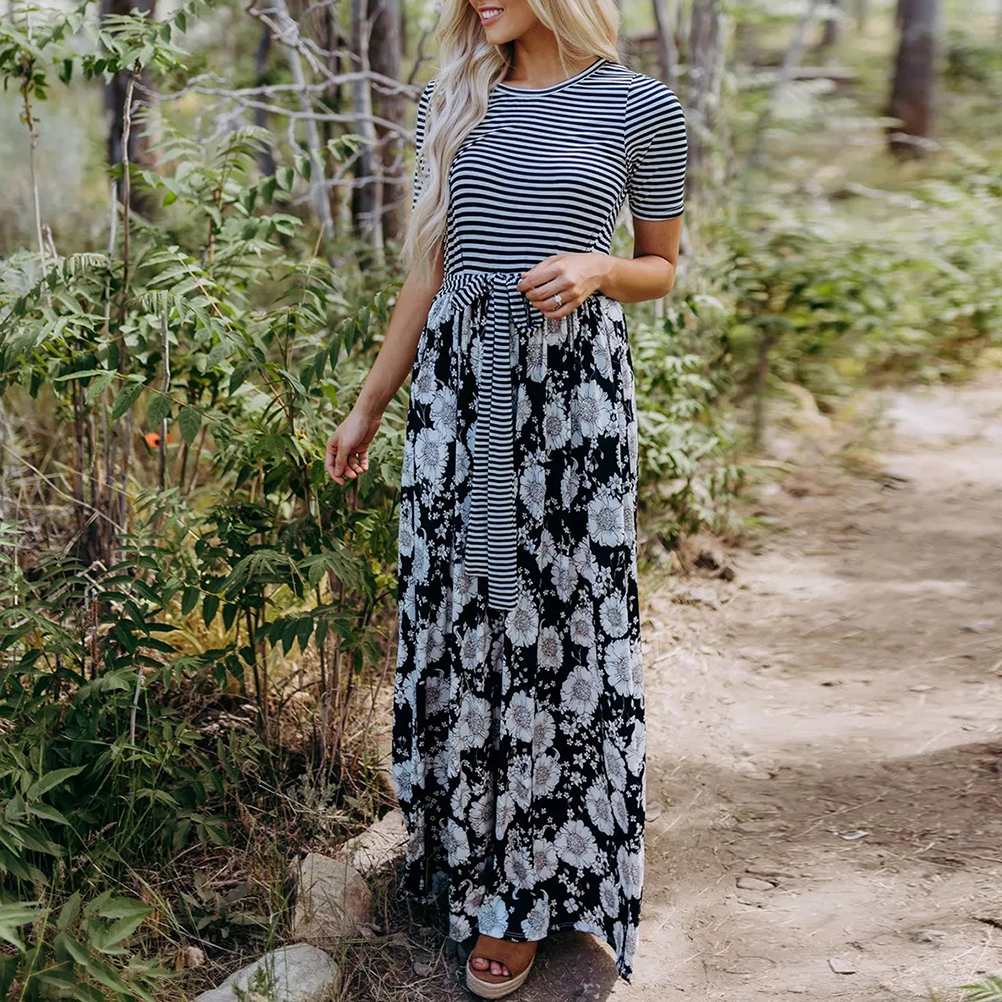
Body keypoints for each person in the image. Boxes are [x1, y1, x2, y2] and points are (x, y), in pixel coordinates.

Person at [325, 0, 687, 996]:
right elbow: (430, 271)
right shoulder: (452, 98)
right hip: (458, 403)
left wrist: (601, 268)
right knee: (464, 626)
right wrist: (369, 406)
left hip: (570, 413)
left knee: (554, 637)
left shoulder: (641, 107)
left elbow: (662, 265)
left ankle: (525, 895)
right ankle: (468, 859)